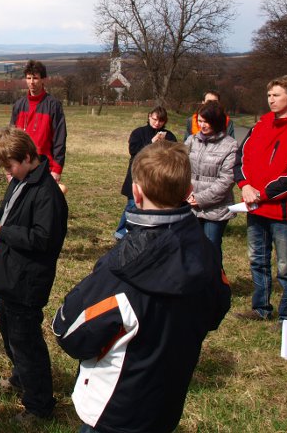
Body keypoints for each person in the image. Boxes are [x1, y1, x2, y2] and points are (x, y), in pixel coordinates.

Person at [52, 141, 231, 433]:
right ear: (188, 192)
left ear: (136, 193)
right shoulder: (207, 253)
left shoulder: (121, 268)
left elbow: (68, 330)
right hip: (166, 404)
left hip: (114, 410)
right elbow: (216, 309)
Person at [0, 127, 67, 422]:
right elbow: (14, 209)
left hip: (27, 280)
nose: (8, 173)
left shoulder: (47, 193)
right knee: (9, 332)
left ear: (28, 157)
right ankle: (20, 376)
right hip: (9, 274)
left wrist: (2, 230)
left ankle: (39, 405)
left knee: (26, 342)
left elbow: (43, 238)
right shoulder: (21, 179)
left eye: (10, 166)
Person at [234, 75, 287, 322]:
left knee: (286, 268)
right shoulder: (260, 125)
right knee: (257, 261)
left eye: (277, 95)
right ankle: (261, 308)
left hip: (284, 212)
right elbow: (241, 158)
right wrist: (245, 185)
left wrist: (264, 193)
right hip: (254, 207)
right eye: (269, 95)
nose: (271, 100)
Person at [185, 101, 238, 265]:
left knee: (211, 249)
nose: (202, 125)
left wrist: (200, 198)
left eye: (206, 121)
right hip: (190, 206)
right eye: (199, 121)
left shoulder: (230, 145)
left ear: (217, 121)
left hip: (216, 209)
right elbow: (180, 165)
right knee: (191, 248)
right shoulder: (192, 140)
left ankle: (215, 285)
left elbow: (227, 180)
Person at [113, 106, 176, 239]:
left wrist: (164, 145)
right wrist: (151, 143)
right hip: (138, 173)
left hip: (157, 176)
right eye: (155, 119)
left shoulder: (169, 135)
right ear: (149, 117)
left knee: (152, 205)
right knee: (133, 204)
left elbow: (174, 154)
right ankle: (121, 232)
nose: (157, 123)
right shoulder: (138, 132)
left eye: (161, 120)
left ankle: (143, 233)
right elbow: (134, 151)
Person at [10, 59, 66, 182]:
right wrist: (10, 168)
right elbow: (11, 138)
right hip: (20, 165)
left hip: (44, 166)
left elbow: (59, 139)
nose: (32, 82)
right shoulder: (19, 105)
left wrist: (57, 169)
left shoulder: (53, 105)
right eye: (28, 78)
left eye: (35, 78)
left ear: (43, 80)